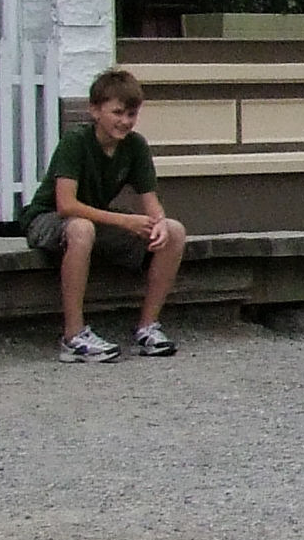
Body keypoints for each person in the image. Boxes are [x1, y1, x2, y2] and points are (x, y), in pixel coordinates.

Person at [30, 67, 189, 361]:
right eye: (117, 113)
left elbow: (151, 201)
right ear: (95, 110)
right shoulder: (76, 141)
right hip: (49, 218)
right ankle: (73, 336)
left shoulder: (135, 146)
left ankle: (148, 327)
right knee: (81, 229)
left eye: (131, 114)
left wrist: (158, 224)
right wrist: (125, 221)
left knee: (175, 231)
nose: (124, 121)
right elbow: (66, 204)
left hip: (94, 219)